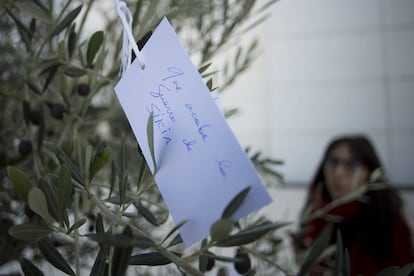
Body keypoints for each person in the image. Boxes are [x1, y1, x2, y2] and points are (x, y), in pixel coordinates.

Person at [293, 135, 413, 275]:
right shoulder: (314, 216)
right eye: (333, 162)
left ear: (369, 172)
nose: (339, 173)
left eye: (352, 165)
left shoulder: (389, 222)